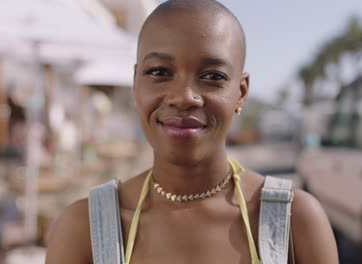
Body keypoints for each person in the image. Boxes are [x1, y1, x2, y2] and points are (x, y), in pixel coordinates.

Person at [45, 0, 339, 263]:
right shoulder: (85, 229)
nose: (184, 96)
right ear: (136, 83)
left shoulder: (293, 222)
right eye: (159, 72)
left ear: (241, 92)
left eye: (213, 76)